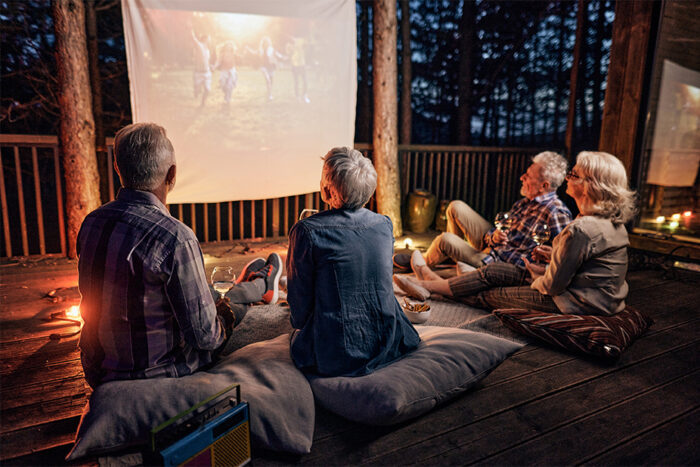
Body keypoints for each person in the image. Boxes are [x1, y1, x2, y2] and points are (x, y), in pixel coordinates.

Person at [76, 123, 282, 389]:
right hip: (159, 375)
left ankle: (256, 284)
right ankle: (259, 286)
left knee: (207, 292)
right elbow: (206, 338)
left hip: (99, 371)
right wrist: (224, 316)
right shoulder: (175, 237)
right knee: (231, 307)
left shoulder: (92, 222)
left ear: (118, 168)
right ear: (172, 174)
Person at [394, 151, 635, 316]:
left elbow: (552, 286)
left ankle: (430, 285)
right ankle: (440, 282)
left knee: (488, 294)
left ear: (590, 185)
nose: (567, 178)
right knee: (493, 272)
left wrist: (536, 275)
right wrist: (552, 259)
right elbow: (580, 263)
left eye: (574, 175)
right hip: (588, 295)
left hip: (574, 303)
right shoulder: (604, 223)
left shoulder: (579, 227)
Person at [287, 147, 420, 377]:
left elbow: (299, 311)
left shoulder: (306, 231)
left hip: (339, 353)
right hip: (391, 339)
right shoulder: (384, 224)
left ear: (328, 189)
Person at [394, 151, 572, 272]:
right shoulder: (525, 202)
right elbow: (502, 229)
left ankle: (420, 263)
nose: (521, 178)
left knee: (444, 240)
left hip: (497, 262)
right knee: (455, 207)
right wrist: (493, 237)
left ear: (544, 185)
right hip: (492, 247)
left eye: (528, 177)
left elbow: (560, 259)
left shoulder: (557, 213)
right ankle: (447, 257)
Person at [192, 30, 213, 107]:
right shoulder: (199, 46)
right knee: (197, 90)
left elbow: (206, 61)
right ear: (205, 39)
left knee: (207, 90)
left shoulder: (208, 50)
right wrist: (190, 29)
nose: (210, 40)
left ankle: (203, 103)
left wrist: (211, 66)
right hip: (198, 73)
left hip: (207, 73)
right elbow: (193, 39)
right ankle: (196, 90)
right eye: (209, 38)